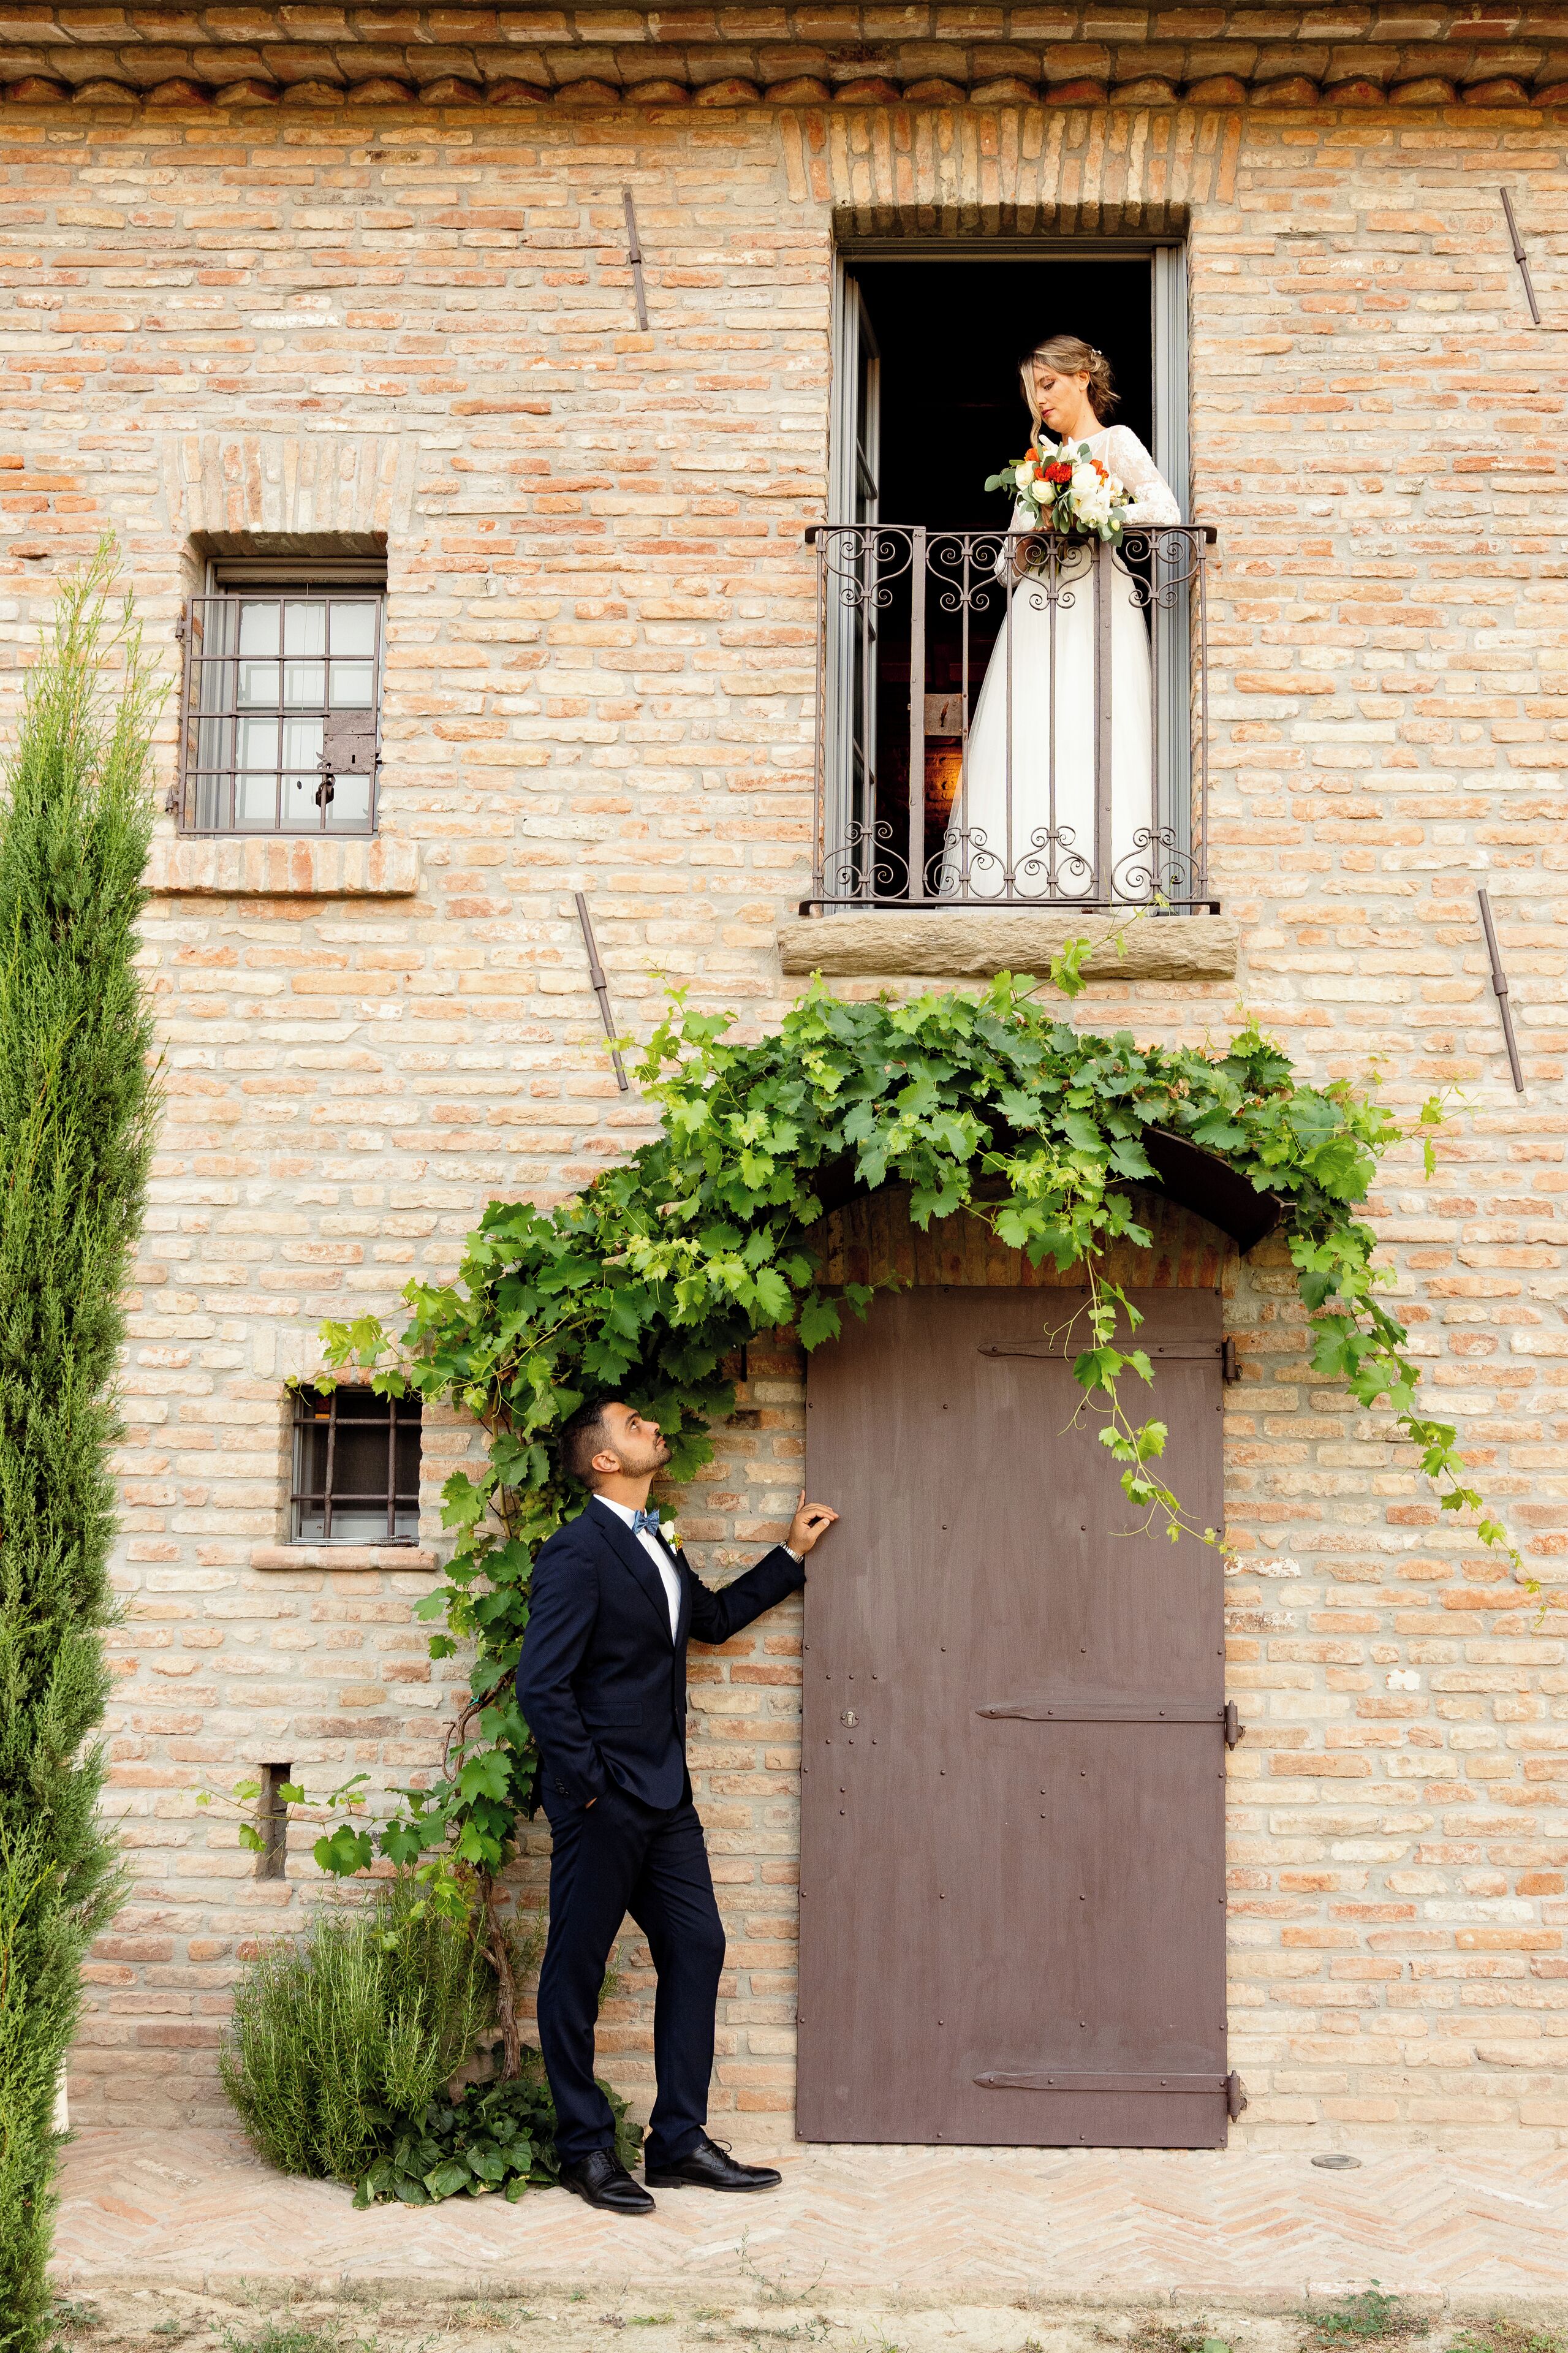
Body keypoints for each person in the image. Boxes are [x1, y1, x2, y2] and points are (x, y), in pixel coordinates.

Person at [517, 1397, 839, 2215]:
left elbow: (713, 1621)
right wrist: (590, 1786)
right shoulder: (575, 1552)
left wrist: (788, 1553)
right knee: (575, 1972)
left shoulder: (654, 1539)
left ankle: (679, 2142)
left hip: (666, 1797)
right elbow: (540, 1686)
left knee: (698, 1946)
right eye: (633, 1425)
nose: (653, 1429)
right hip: (604, 1801)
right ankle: (584, 2150)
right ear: (602, 1460)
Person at [939, 333, 1181, 903]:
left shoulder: (1115, 443)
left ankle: (1108, 884)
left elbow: (1164, 509)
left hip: (1099, 603)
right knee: (1031, 730)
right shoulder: (1039, 466)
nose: (1039, 402)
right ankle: (1018, 881)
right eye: (1031, 392)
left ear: (1082, 379)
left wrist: (1094, 512)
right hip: (1038, 612)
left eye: (1047, 385)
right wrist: (1038, 530)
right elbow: (1004, 566)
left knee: (1097, 724)